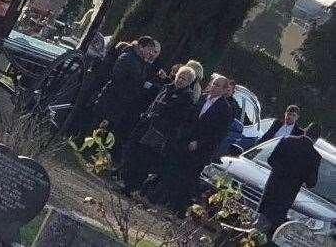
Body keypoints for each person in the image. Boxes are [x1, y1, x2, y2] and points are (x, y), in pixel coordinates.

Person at [164, 75, 233, 215]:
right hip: (186, 141)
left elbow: (218, 134)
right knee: (174, 170)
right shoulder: (202, 98)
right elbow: (190, 118)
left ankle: (180, 209)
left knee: (188, 178)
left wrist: (199, 143)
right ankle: (166, 200)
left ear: (225, 90)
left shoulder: (225, 109)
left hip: (201, 150)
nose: (214, 87)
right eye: (214, 84)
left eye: (218, 85)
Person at [121, 65, 196, 194]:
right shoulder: (167, 88)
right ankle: (125, 179)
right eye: (179, 77)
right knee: (133, 152)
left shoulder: (187, 99)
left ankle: (132, 187)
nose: (180, 80)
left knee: (144, 159)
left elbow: (179, 119)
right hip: (146, 125)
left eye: (184, 79)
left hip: (159, 133)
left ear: (189, 82)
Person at [91, 36, 159, 157]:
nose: (150, 53)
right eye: (149, 49)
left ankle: (93, 151)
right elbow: (117, 77)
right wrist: (134, 84)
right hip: (112, 99)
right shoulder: (128, 57)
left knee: (106, 129)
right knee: (97, 124)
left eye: (152, 50)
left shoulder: (142, 63)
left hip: (122, 103)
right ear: (140, 46)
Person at [258, 123, 322, 236]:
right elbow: (311, 183)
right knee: (272, 230)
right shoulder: (315, 157)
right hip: (286, 197)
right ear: (316, 139)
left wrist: (280, 170)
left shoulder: (287, 141)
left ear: (305, 131)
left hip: (271, 189)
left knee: (260, 224)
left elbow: (271, 160)